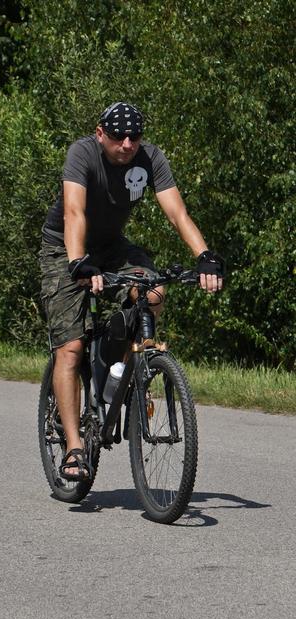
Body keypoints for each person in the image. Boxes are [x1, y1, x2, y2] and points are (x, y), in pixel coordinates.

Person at [39, 101, 223, 481]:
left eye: (134, 137)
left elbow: (177, 212)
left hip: (111, 246)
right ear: (100, 132)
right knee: (70, 349)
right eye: (119, 136)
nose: (127, 144)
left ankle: (117, 364)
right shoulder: (82, 153)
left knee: (152, 293)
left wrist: (204, 256)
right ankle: (74, 448)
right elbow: (75, 212)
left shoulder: (150, 158)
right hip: (64, 247)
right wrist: (77, 262)